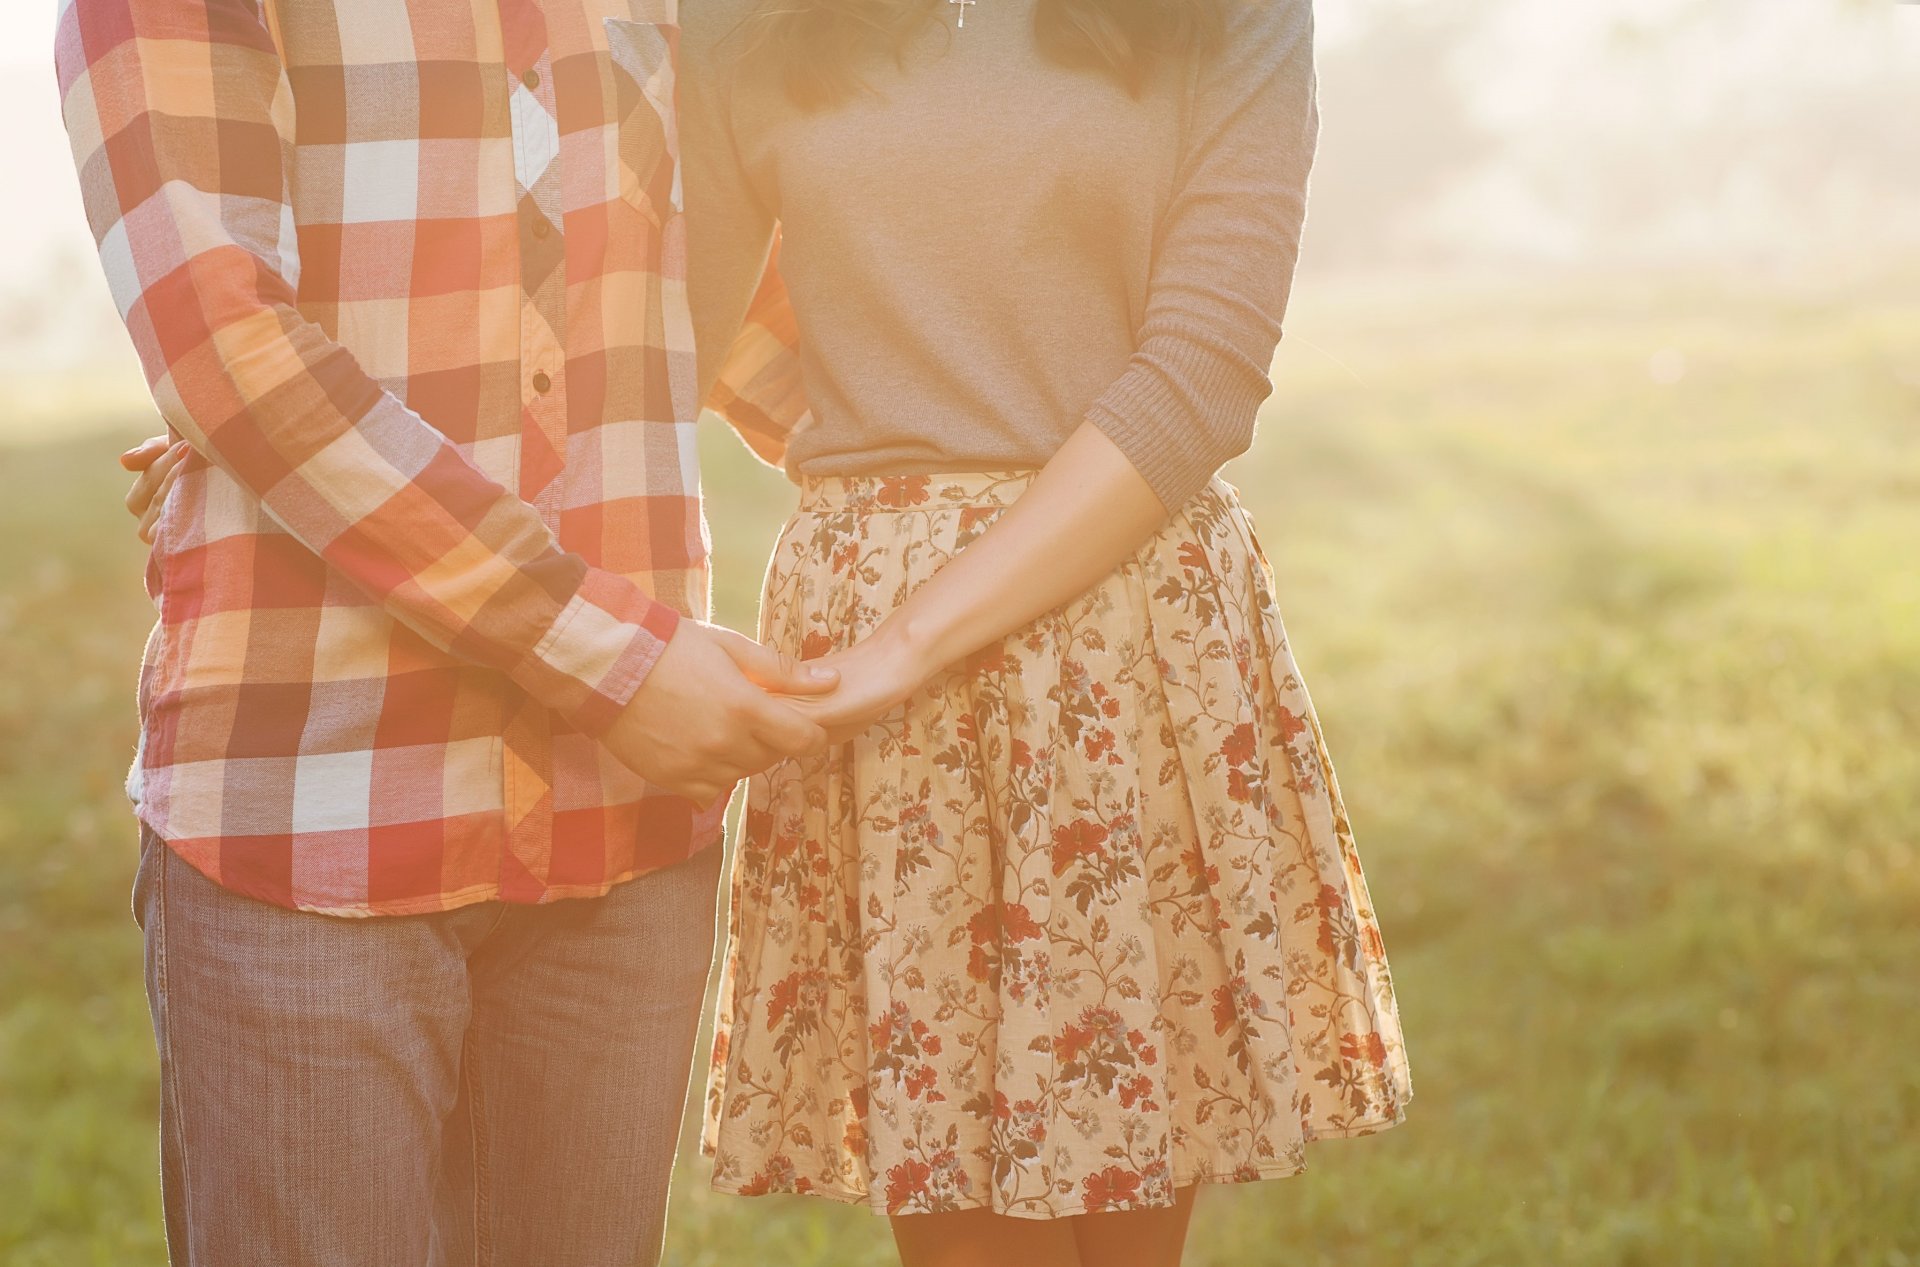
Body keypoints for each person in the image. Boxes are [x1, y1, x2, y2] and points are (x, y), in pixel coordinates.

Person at [59, 0, 831, 1262]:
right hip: (311, 808)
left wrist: (1045, 498)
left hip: (617, 838)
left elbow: (738, 315)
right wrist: (619, 664)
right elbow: (230, 348)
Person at [676, 0, 1414, 1263]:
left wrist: (914, 620)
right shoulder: (754, 19)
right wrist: (892, 467)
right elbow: (663, 338)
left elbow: (1203, 368)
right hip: (886, 673)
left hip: (1121, 639)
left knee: (1122, 1227)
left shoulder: (1224, 15)